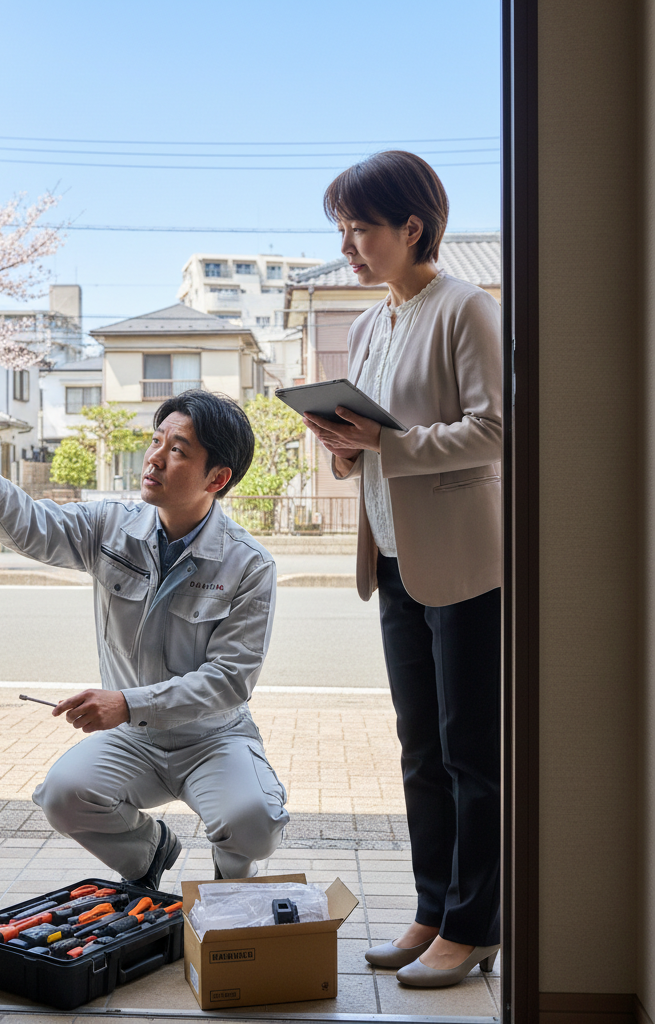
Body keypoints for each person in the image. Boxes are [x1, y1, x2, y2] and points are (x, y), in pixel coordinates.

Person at [0, 389, 288, 890]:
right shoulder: (109, 525)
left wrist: (126, 703)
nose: (153, 457)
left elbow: (229, 681)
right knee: (63, 795)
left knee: (253, 822)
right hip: (133, 739)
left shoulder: (249, 564)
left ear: (217, 478)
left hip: (213, 738)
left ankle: (230, 880)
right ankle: (147, 855)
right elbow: (35, 528)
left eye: (178, 450)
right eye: (157, 440)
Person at [304, 151, 502, 988]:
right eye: (342, 230)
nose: (348, 245)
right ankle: (431, 910)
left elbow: (496, 432)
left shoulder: (466, 309)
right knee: (419, 747)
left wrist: (386, 443)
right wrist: (347, 451)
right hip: (390, 558)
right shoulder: (368, 324)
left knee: (471, 752)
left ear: (411, 226)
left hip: (464, 561)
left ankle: (474, 925)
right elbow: (374, 446)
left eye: (361, 229)